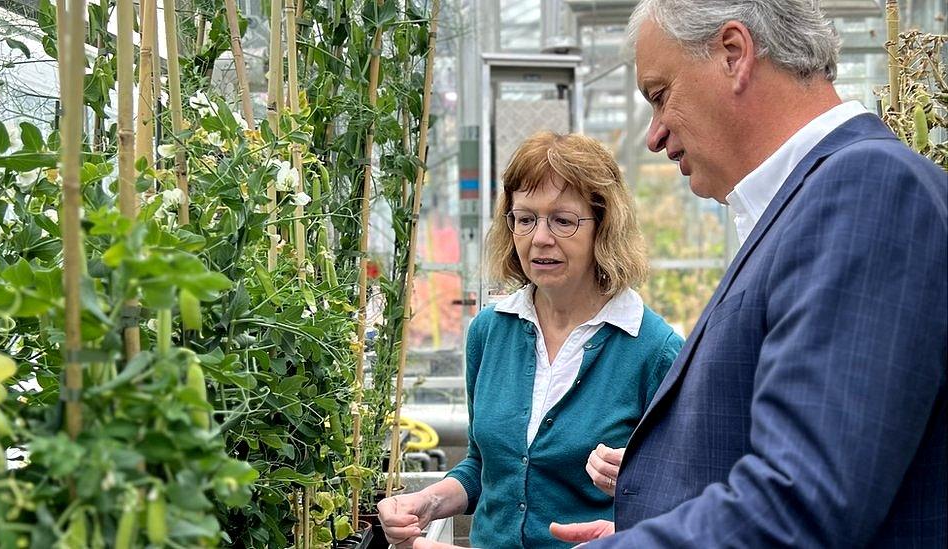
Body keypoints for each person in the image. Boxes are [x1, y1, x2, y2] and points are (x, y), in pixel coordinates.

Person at [410, 0, 947, 547]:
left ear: (733, 54)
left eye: (661, 95)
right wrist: (640, 521)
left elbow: (801, 501)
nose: (654, 134)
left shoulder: (867, 191)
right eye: (525, 220)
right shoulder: (805, 205)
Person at [377, 131, 683, 548]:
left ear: (604, 227)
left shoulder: (654, 351)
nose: (540, 238)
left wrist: (638, 483)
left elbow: (682, 501)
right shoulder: (489, 332)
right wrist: (426, 504)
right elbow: (483, 467)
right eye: (525, 218)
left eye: (563, 220)